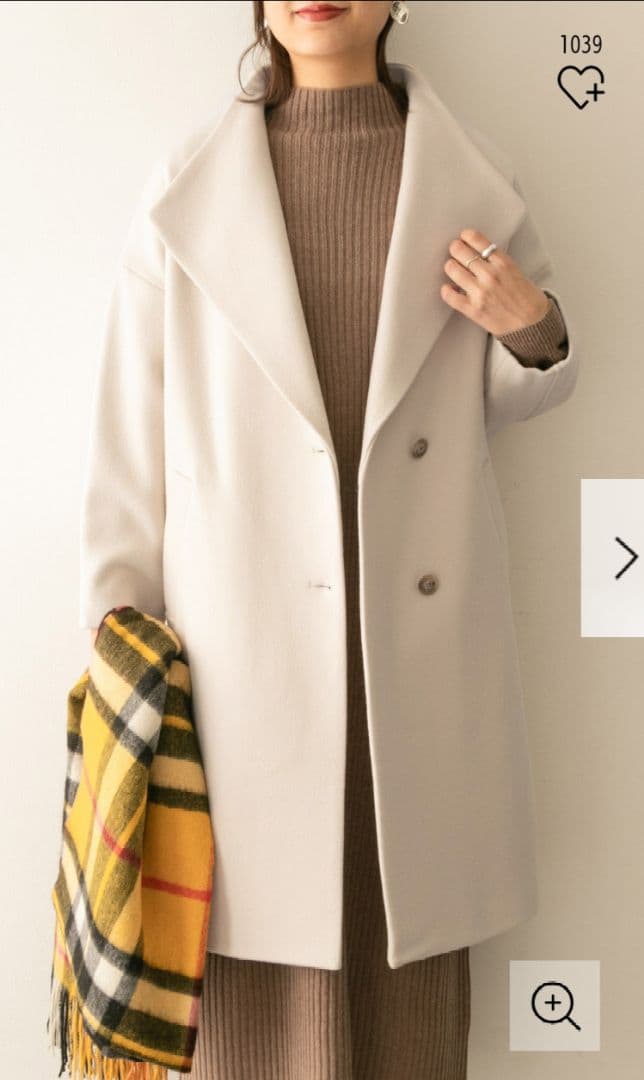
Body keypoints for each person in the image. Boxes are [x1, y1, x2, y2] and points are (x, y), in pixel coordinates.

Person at [84, 2, 574, 1076]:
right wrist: (117, 637)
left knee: (407, 962)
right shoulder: (189, 189)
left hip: (413, 657)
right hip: (238, 660)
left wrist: (531, 327)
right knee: (251, 963)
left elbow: (519, 387)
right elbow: (130, 438)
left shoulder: (470, 176)